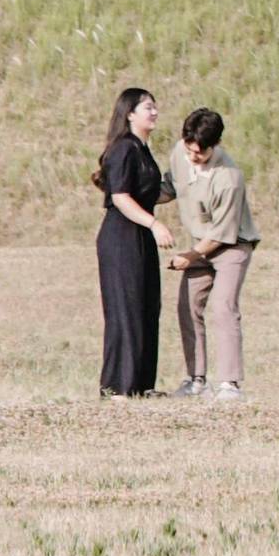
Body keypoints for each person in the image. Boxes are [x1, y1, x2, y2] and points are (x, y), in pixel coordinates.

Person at [166, 104, 260, 400]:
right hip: (199, 243)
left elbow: (222, 233)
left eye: (200, 154)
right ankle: (196, 379)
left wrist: (189, 256)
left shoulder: (229, 179)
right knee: (188, 306)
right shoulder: (179, 154)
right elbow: (170, 187)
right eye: (189, 149)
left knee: (223, 307)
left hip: (231, 245)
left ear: (215, 145)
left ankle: (229, 384)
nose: (193, 157)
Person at [94, 85, 167, 397]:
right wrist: (154, 223)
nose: (154, 112)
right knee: (126, 307)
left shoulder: (143, 148)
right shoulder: (124, 148)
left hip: (140, 235)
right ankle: (118, 386)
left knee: (147, 305)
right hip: (122, 236)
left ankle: (141, 384)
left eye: (154, 106)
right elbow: (121, 198)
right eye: (147, 107)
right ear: (130, 114)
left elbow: (152, 192)